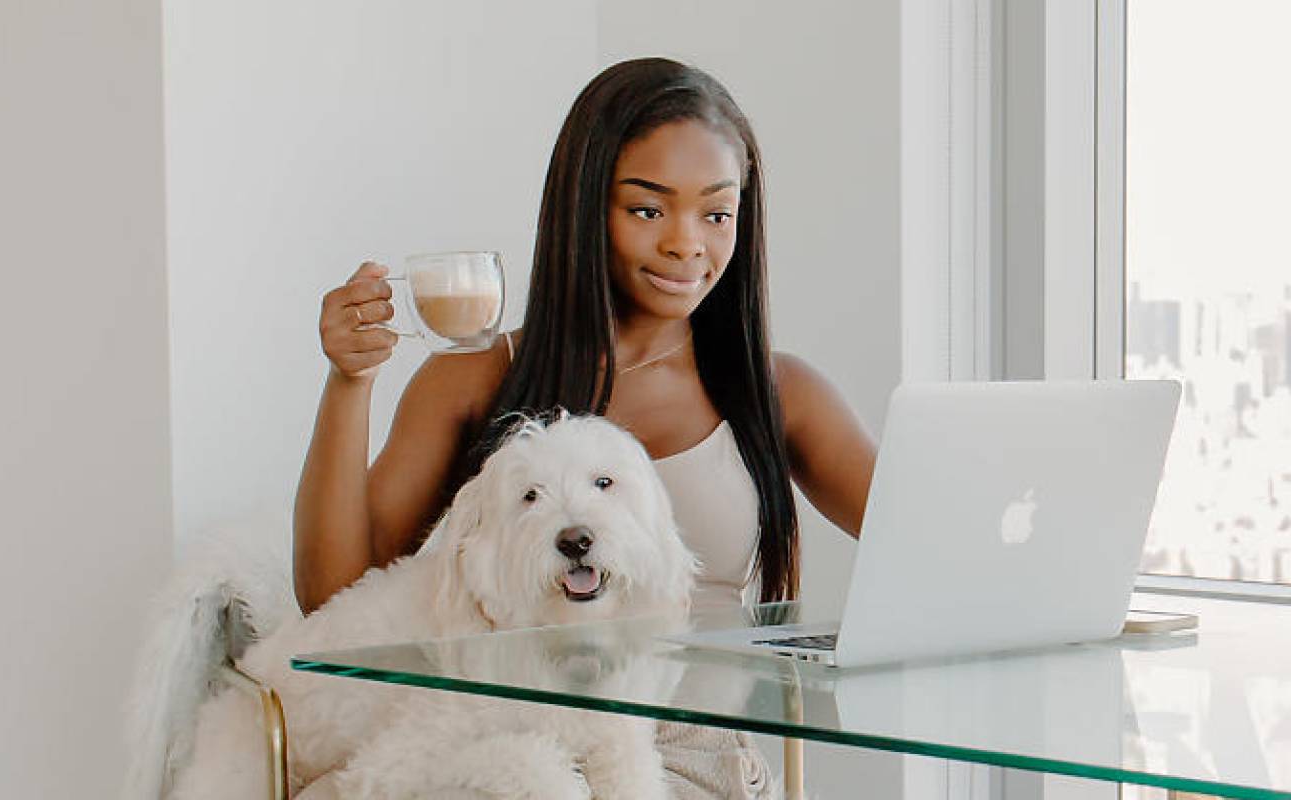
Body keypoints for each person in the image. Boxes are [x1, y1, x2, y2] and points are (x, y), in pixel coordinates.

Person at [293, 57, 879, 798]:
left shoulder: (779, 392)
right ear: (584, 207)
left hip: (691, 761)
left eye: (716, 213)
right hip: (508, 746)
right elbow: (334, 596)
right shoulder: (476, 376)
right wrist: (350, 382)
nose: (686, 243)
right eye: (647, 210)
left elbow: (933, 548)